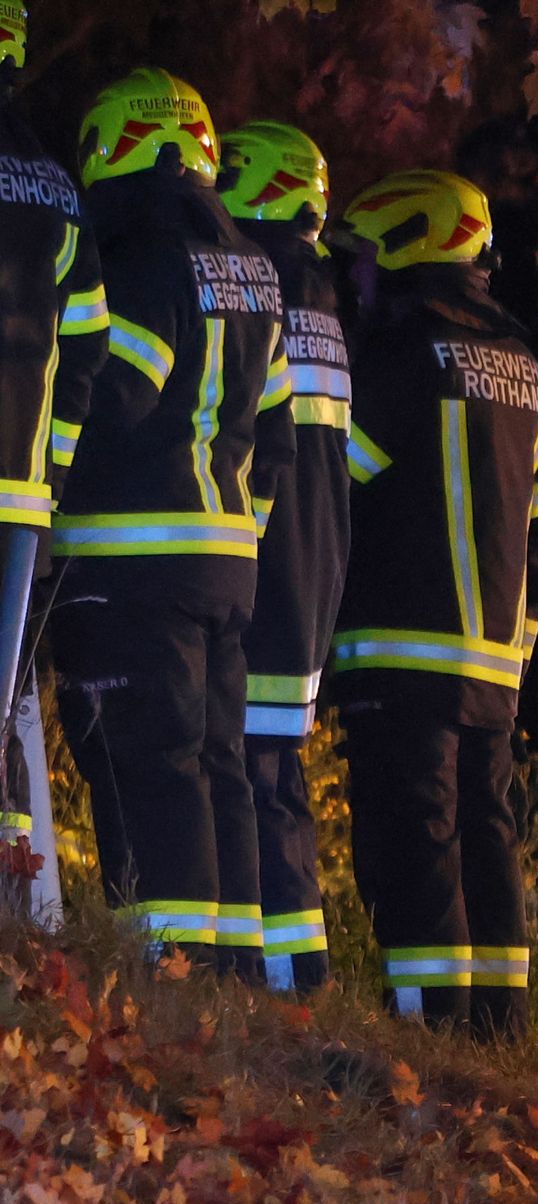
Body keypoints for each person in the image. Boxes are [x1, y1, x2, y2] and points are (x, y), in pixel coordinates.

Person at [48, 67, 282, 961]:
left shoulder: (142, 253)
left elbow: (118, 396)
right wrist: (242, 530)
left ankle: (167, 973)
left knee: (147, 766)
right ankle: (231, 975)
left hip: (133, 557)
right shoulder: (253, 266)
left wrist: (49, 467)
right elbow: (279, 437)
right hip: (228, 559)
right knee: (219, 767)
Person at [326, 168, 538, 1035]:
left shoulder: (397, 355)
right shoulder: (524, 366)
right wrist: (516, 642)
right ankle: (500, 1027)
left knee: (412, 840)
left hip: (399, 653)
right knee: (487, 835)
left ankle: (429, 1027)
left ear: (405, 248)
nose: (355, 278)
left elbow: (334, 483)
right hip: (494, 666)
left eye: (362, 258)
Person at [216, 120, 347, 989]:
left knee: (250, 773)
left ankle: (274, 973)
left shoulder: (264, 278)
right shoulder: (323, 294)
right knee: (276, 772)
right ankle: (301, 967)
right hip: (315, 562)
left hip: (266, 555)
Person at [0, 3, 103, 921]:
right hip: (22, 498)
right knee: (2, 708)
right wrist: (53, 471)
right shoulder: (57, 187)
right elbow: (88, 346)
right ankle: (13, 900)